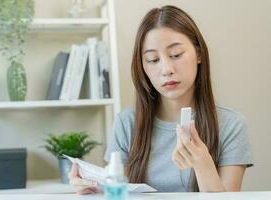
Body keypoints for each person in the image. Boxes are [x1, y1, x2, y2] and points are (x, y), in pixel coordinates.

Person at [69, 5, 253, 194]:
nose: (166, 69)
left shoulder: (230, 125)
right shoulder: (126, 124)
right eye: (153, 60)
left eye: (176, 55)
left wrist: (203, 165)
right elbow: (119, 194)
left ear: (198, 54)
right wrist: (95, 191)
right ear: (143, 67)